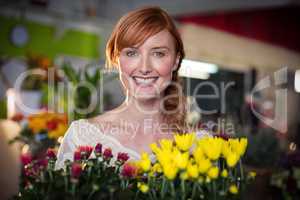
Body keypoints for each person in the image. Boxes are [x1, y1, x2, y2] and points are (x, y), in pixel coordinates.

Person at [55, 6, 208, 170]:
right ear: (116, 58)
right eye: (132, 53)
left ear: (176, 61)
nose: (144, 67)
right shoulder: (81, 138)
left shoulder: (200, 145)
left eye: (158, 53)